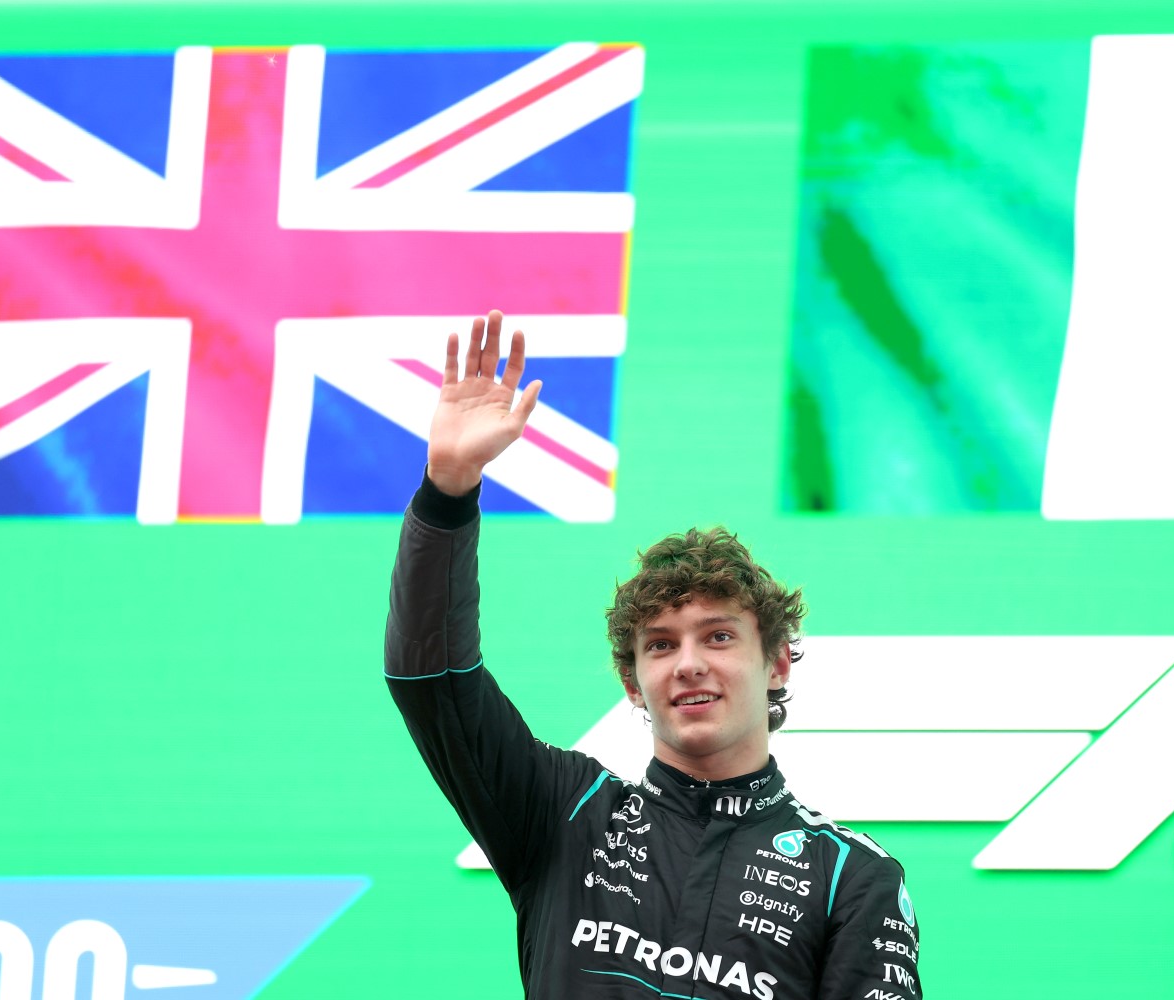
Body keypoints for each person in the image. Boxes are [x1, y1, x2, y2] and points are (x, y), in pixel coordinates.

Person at [385, 311, 923, 999]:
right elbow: (430, 678)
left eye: (718, 636)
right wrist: (448, 490)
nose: (688, 663)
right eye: (661, 645)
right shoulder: (564, 813)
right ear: (633, 683)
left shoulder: (851, 876)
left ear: (778, 663)